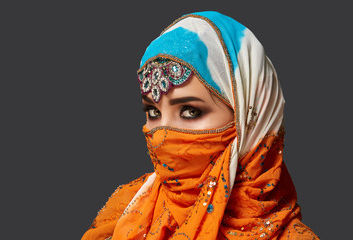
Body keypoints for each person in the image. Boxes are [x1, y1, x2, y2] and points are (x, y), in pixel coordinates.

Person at [82, 11, 319, 239]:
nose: (160, 135)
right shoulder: (127, 215)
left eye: (190, 111)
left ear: (250, 119)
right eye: (153, 111)